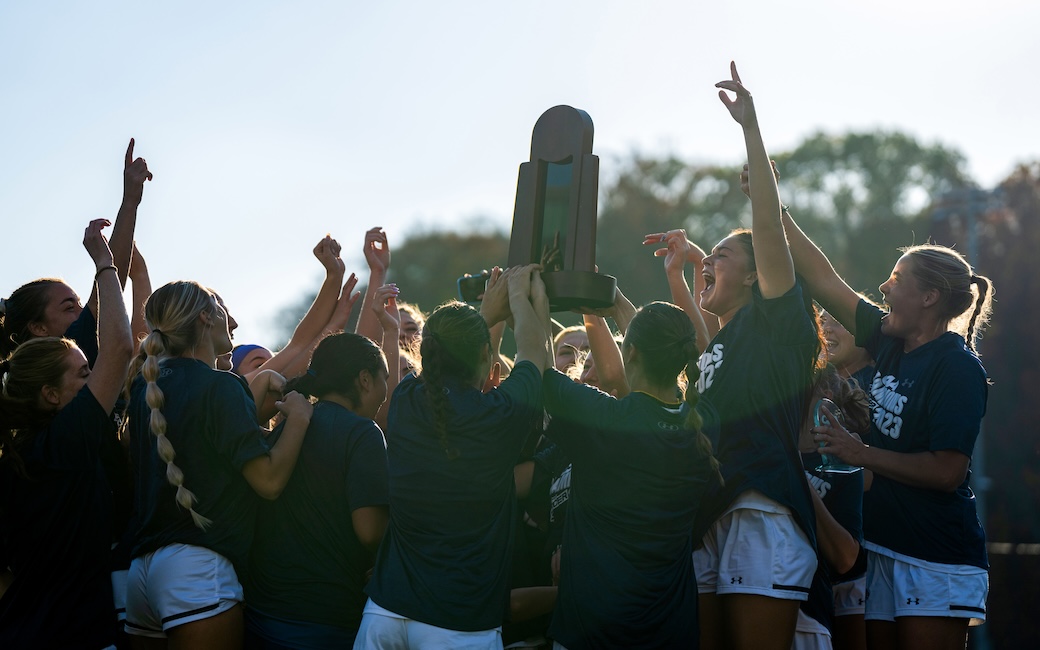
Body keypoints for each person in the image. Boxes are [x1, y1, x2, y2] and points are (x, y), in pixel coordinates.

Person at [782, 209, 994, 650]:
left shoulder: (956, 367)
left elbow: (947, 471)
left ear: (930, 296)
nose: (884, 287)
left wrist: (861, 453)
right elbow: (823, 278)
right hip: (881, 549)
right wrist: (773, 204)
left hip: (935, 556)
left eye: (896, 278)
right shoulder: (889, 341)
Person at [669, 63, 822, 650]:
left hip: (762, 513)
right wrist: (680, 280)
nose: (710, 260)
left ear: (759, 275)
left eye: (720, 256)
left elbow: (766, 228)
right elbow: (704, 356)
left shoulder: (777, 321)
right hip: (716, 512)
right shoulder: (730, 341)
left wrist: (751, 132)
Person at [355, 264, 551, 649]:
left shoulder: (406, 401)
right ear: (485, 355)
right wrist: (519, 296)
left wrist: (485, 316)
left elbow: (454, 349)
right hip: (460, 623)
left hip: (385, 612)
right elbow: (534, 350)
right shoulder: (501, 416)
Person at [123, 281, 314, 648]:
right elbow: (269, 481)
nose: (231, 319)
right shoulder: (220, 386)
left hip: (142, 576)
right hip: (197, 573)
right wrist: (300, 418)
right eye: (221, 308)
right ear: (206, 317)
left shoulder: (146, 390)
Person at [542, 301, 723, 649]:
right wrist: (624, 310)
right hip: (670, 631)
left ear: (631, 352)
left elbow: (536, 367)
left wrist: (529, 300)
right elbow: (650, 355)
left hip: (591, 631)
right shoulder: (705, 423)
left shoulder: (605, 420)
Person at [0, 219, 134, 648]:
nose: (93, 379)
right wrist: (105, 264)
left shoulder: (19, 454)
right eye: (82, 374)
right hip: (72, 636)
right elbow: (120, 348)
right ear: (50, 394)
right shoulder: (64, 441)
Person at [245, 331, 396, 648]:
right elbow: (369, 531)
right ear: (365, 380)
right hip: (324, 620)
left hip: (262, 614)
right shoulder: (362, 433)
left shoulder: (287, 427)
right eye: (384, 379)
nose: (386, 392)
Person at [795, 366, 872, 650]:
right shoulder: (769, 444)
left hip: (829, 595)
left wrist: (797, 481)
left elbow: (847, 558)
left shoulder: (840, 460)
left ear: (823, 396)